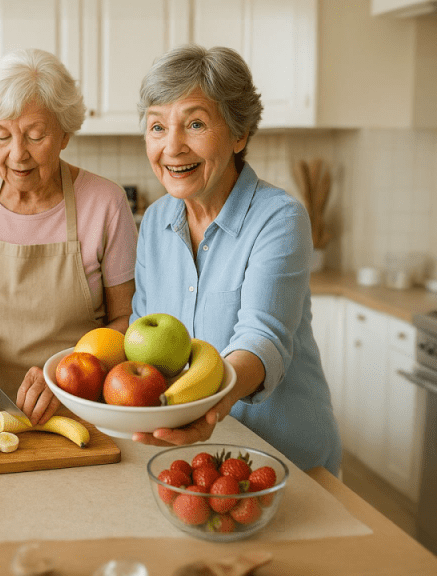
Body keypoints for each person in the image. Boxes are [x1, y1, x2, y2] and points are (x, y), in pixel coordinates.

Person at [131, 44, 342, 474]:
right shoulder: (153, 222)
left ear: (239, 133)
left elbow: (261, 339)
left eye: (195, 124)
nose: (172, 147)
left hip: (283, 461)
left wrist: (209, 405)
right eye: (157, 126)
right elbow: (142, 336)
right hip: (192, 461)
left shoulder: (279, 218)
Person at [0, 48, 138, 424]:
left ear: (65, 134)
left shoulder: (105, 203)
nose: (17, 154)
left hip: (73, 409)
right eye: (1, 135)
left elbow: (127, 319)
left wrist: (68, 373)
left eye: (35, 136)